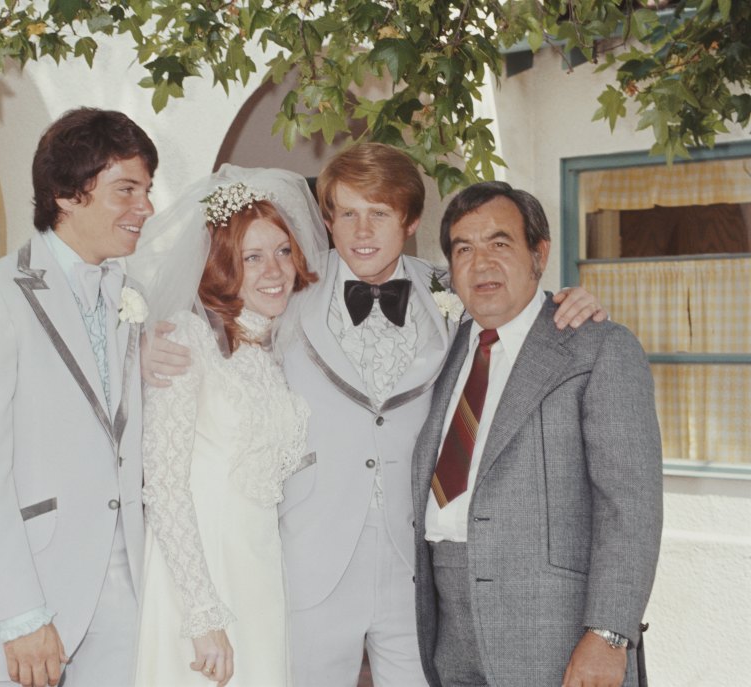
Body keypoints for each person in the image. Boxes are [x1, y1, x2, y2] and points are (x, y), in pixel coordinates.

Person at [144, 143, 606, 687]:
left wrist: (567, 303)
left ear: (410, 222)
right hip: (305, 564)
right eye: (347, 214)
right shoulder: (290, 285)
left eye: (380, 214)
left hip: (414, 568)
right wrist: (143, 348)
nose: (362, 232)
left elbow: (509, 299)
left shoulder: (448, 288)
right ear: (327, 221)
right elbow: (221, 318)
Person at [0, 107, 156, 687]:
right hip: (34, 592)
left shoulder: (132, 297)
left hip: (126, 591)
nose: (147, 209)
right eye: (127, 190)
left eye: (148, 190)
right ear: (66, 193)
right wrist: (20, 612)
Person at [412, 181, 663, 687]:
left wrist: (609, 635)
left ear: (539, 253)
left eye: (499, 243)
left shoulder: (597, 348)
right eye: (464, 248)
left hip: (557, 638)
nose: (481, 263)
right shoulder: (440, 348)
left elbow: (630, 508)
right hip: (448, 637)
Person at [129, 166, 328, 687]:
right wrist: (202, 614)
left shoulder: (271, 348)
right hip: (202, 574)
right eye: (252, 257)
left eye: (283, 251)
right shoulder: (188, 341)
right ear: (221, 265)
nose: (275, 270)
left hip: (260, 567)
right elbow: (166, 487)